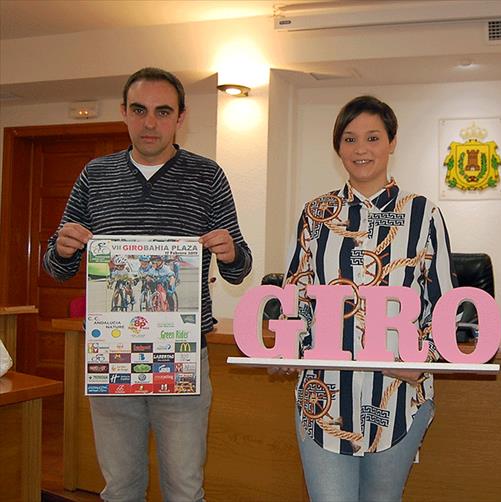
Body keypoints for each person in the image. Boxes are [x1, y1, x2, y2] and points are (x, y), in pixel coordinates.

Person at [42, 67, 253, 502]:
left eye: (163, 111)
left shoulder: (207, 176)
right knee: (120, 488)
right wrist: (62, 249)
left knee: (185, 489)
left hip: (182, 356)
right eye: (139, 110)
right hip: (112, 353)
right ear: (124, 112)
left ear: (181, 117)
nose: (150, 122)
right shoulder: (95, 175)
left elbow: (239, 269)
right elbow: (57, 268)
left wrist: (231, 253)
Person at [284, 95, 455, 501]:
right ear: (338, 147)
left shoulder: (422, 214)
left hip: (398, 399)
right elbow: (297, 291)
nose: (361, 149)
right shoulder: (316, 213)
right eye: (350, 139)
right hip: (324, 399)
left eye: (373, 138)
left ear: (392, 142)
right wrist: (290, 346)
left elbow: (442, 304)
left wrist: (422, 362)